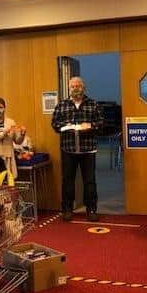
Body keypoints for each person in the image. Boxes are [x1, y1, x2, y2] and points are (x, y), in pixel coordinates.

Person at [51, 77, 103, 221]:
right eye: (72, 86)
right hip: (68, 150)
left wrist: (91, 126)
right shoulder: (61, 105)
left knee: (90, 182)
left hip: (88, 150)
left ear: (83, 88)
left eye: (78, 86)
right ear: (69, 88)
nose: (75, 88)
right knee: (67, 181)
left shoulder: (93, 104)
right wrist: (64, 127)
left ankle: (91, 210)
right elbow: (55, 124)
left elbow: (101, 123)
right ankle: (67, 210)